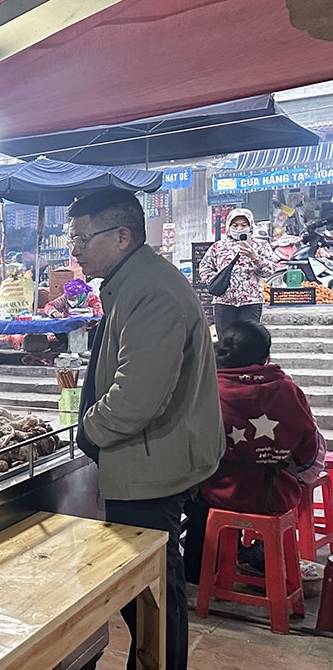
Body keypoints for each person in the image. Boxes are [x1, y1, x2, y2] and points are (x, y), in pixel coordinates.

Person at [68, 189, 224, 670]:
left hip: (152, 461)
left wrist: (90, 432)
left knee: (153, 591)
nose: (74, 250)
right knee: (148, 589)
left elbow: (138, 396)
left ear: (121, 236)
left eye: (81, 238)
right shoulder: (130, 281)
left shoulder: (149, 289)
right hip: (148, 455)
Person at [182, 320, 325, 582]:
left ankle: (198, 571)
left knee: (191, 496)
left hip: (220, 493)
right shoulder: (288, 389)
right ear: (265, 355)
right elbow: (309, 451)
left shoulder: (207, 390)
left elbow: (192, 449)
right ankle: (241, 554)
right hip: (277, 494)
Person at [197, 208, 276, 337]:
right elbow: (204, 267)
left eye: (244, 225)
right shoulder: (218, 247)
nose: (239, 228)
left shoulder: (261, 246)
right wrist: (218, 281)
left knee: (249, 341)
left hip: (251, 302)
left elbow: (270, 270)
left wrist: (254, 257)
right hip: (224, 302)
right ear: (228, 226)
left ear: (250, 226)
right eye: (235, 225)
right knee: (225, 341)